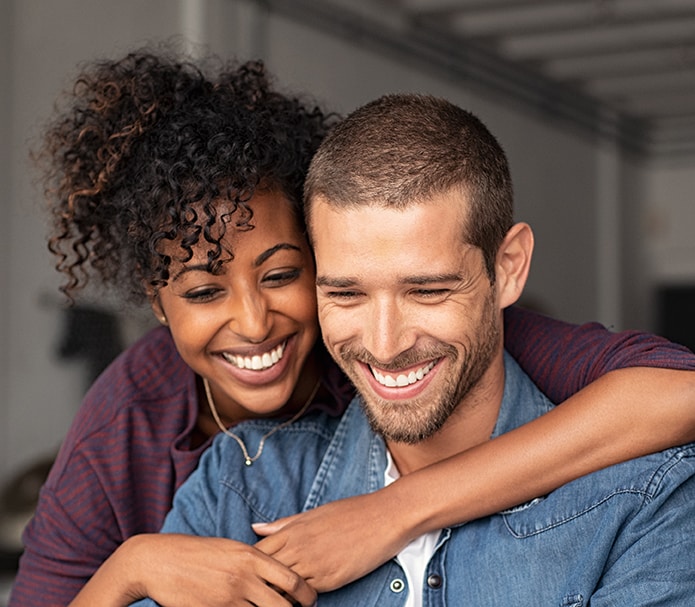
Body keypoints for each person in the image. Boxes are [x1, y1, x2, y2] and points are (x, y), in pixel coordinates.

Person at [11, 49, 695, 607]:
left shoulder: (641, 497)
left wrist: (395, 509)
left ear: (506, 270)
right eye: (347, 291)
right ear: (157, 308)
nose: (387, 337)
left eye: (426, 289)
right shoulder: (223, 474)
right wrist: (132, 565)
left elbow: (677, 393)